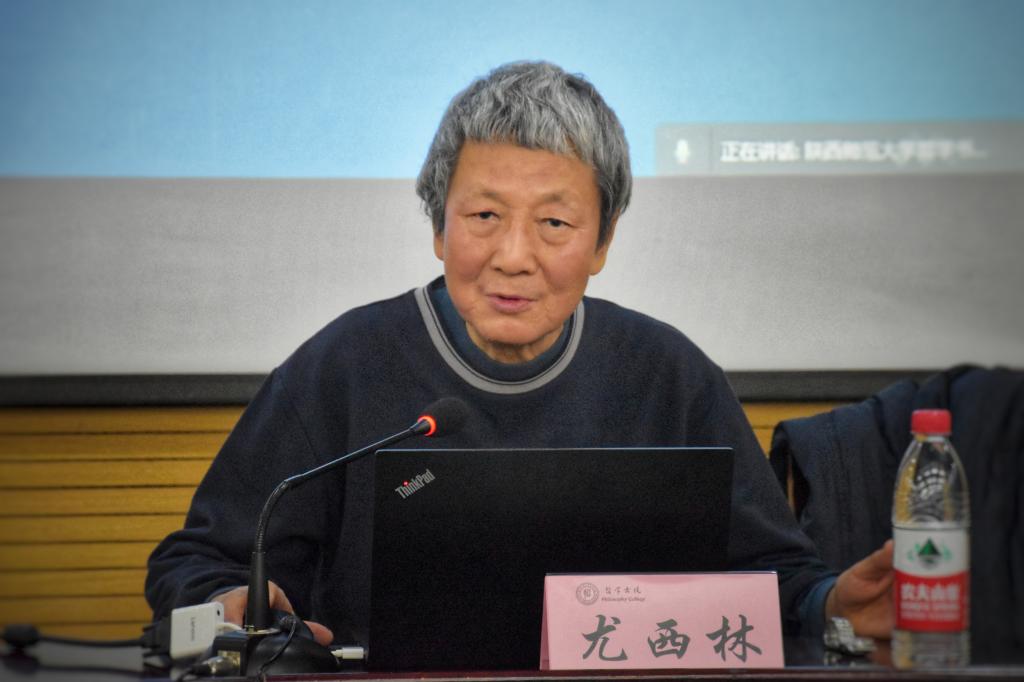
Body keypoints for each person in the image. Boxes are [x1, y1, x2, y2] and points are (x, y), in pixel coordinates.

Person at [145, 61, 893, 650]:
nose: (513, 256)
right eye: (483, 215)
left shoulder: (668, 376)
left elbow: (773, 578)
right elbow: (197, 565)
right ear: (438, 228)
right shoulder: (343, 366)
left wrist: (832, 603)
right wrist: (226, 604)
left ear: (603, 241)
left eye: (555, 224)